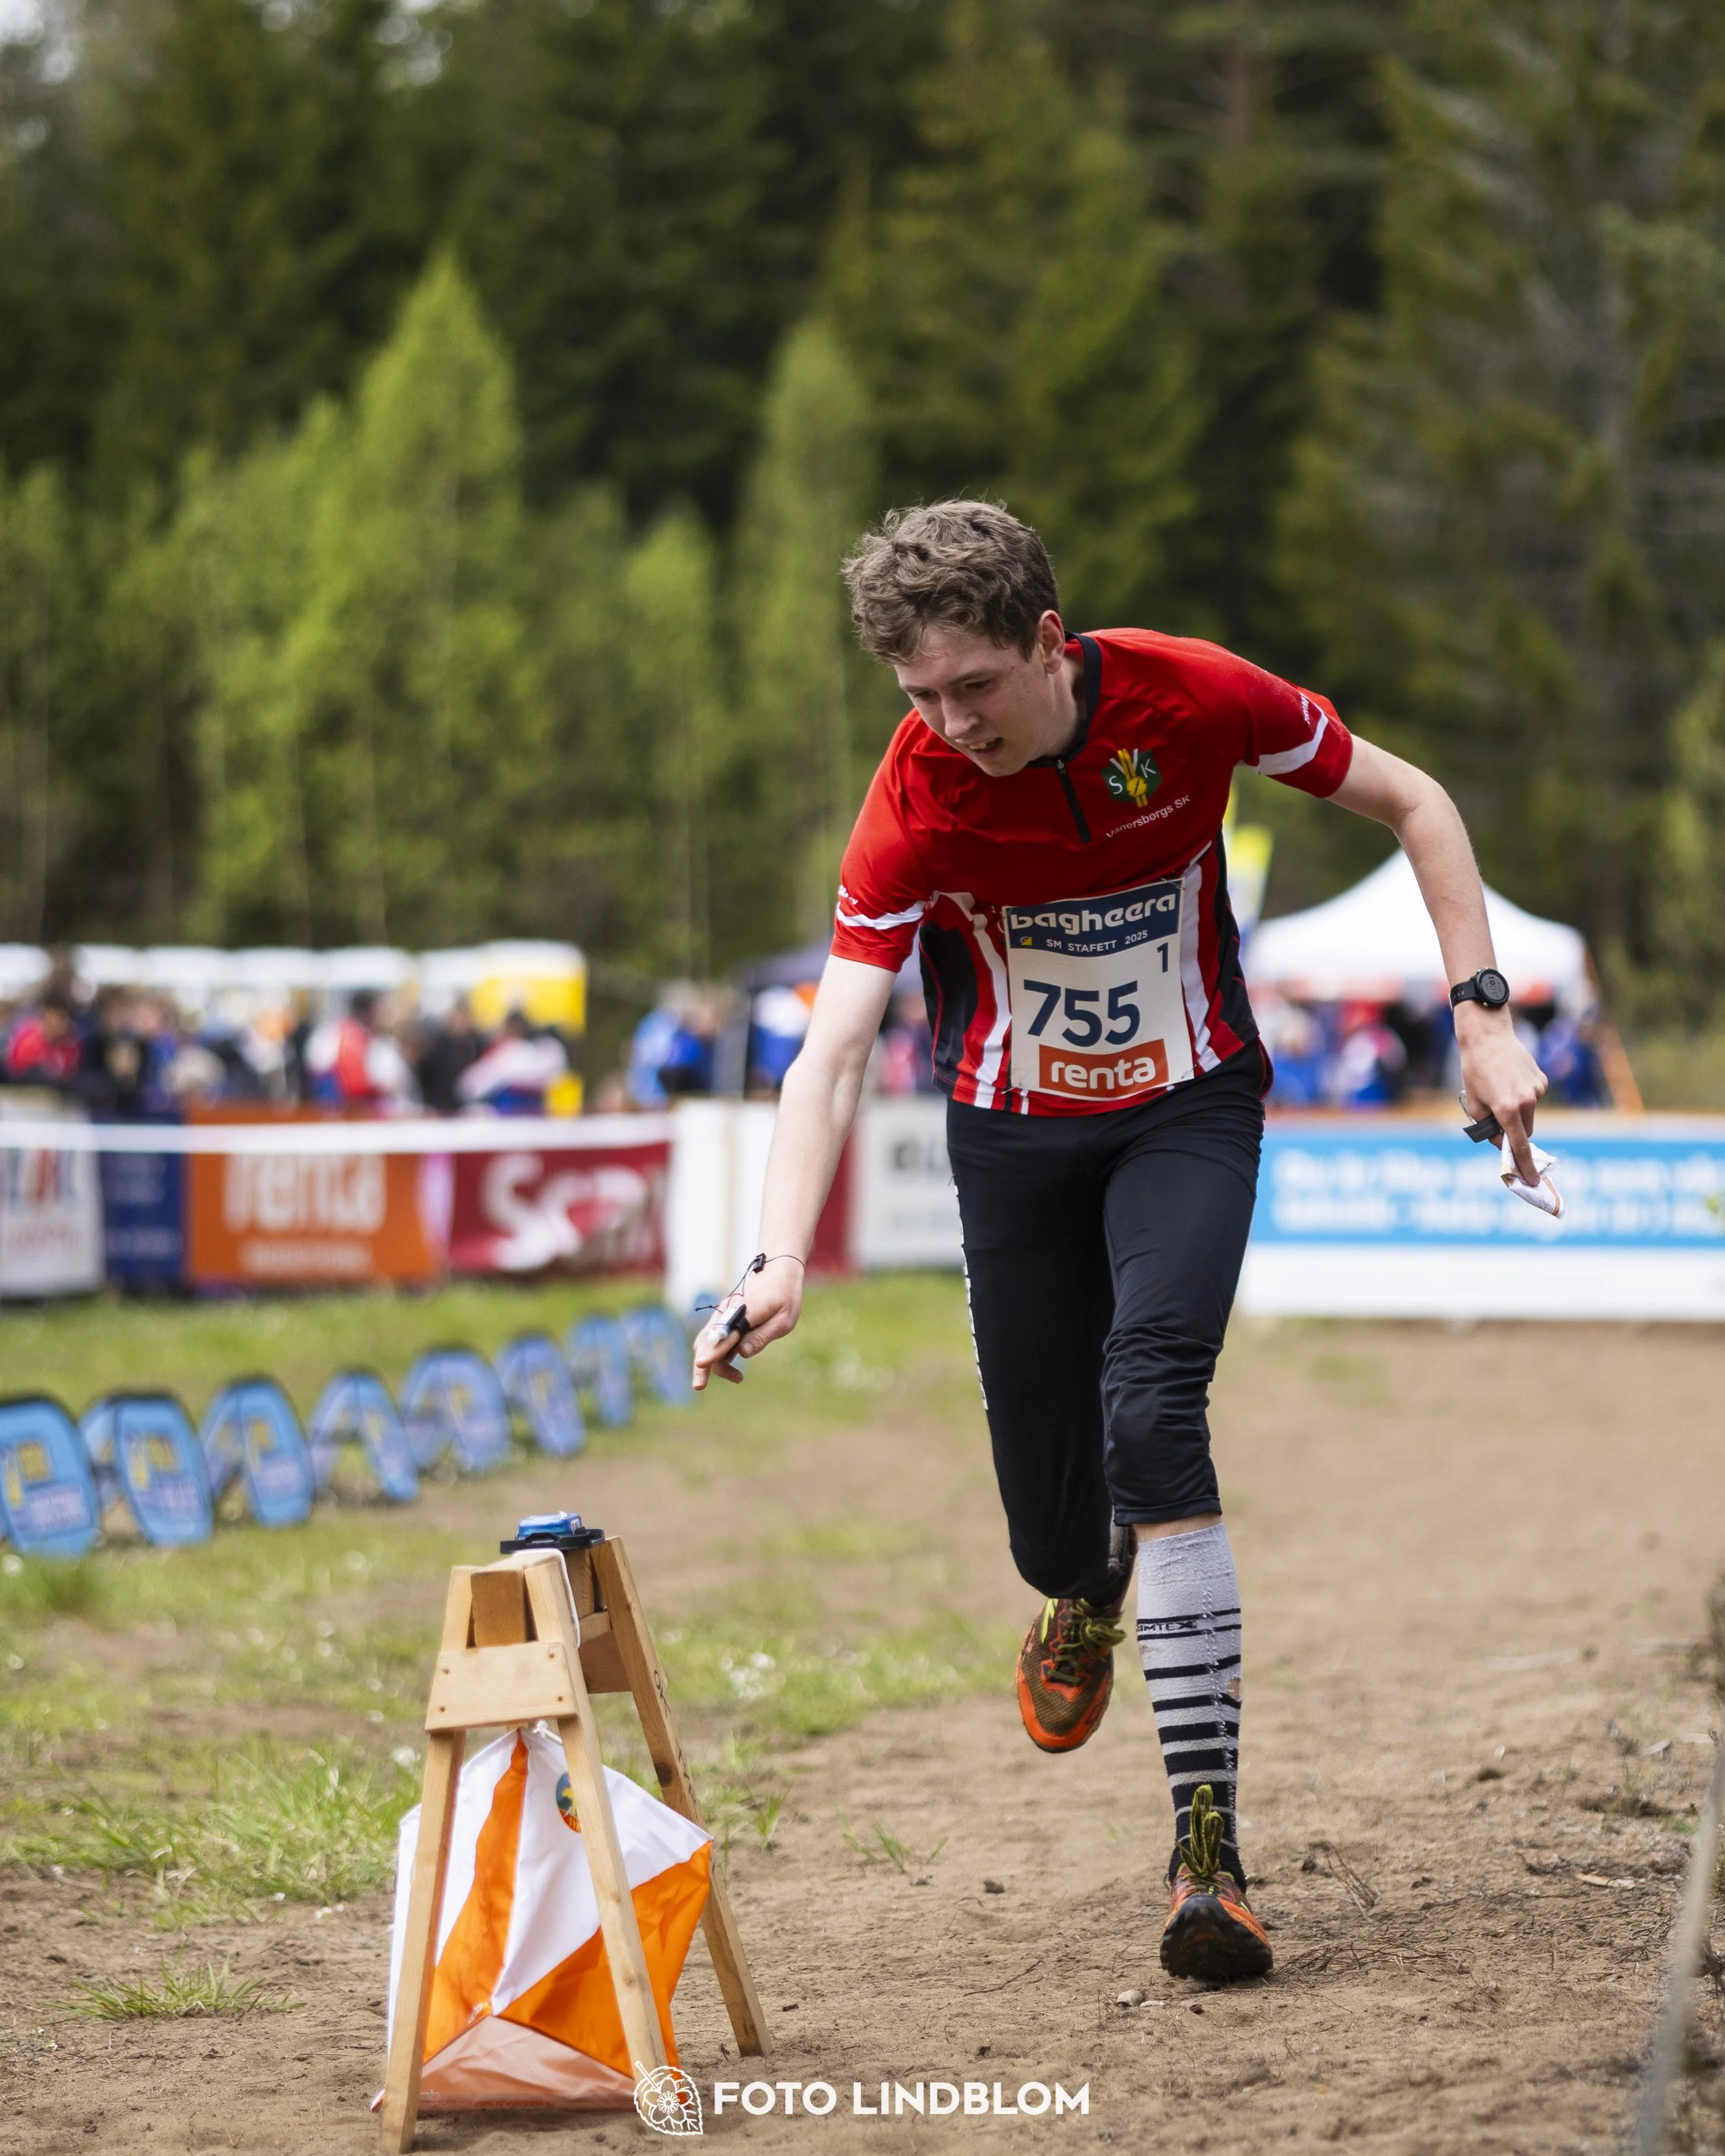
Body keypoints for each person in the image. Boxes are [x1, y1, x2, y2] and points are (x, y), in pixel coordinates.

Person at [692, 500, 1546, 1986]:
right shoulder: (913, 797)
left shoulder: (1190, 695)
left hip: (1187, 1109)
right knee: (1048, 1528)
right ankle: (1084, 1594)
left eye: (974, 687)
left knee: (1153, 1401)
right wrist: (774, 1257)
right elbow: (828, 1048)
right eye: (916, 698)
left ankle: (1204, 1846)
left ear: (1047, 640)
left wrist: (1481, 1011)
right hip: (1010, 1138)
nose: (950, 725)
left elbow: (1415, 801)